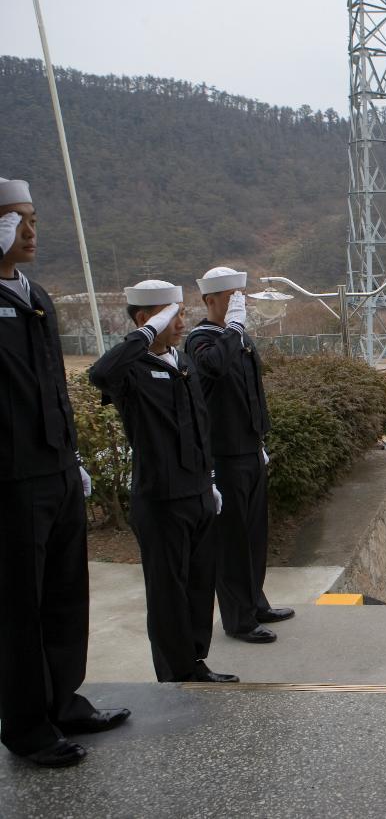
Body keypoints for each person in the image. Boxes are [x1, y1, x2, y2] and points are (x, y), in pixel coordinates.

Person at [0, 178, 130, 768]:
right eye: (14, 219)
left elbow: (54, 384)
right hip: (11, 478)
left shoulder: (38, 297)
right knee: (18, 607)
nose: (29, 231)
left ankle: (63, 700)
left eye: (32, 218)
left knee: (63, 594)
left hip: (55, 468)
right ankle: (26, 725)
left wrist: (73, 456)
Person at [89, 280, 237, 685]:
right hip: (161, 497)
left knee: (199, 583)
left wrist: (209, 480)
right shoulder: (131, 369)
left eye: (181, 313)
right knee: (168, 592)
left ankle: (195, 661)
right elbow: (100, 372)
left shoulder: (183, 360)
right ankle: (174, 675)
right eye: (172, 314)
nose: (181, 322)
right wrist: (147, 334)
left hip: (198, 491)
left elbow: (199, 426)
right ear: (145, 319)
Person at [186, 266, 292, 645]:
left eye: (240, 296)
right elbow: (212, 367)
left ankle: (256, 602)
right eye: (230, 296)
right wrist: (232, 328)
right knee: (231, 541)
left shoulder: (239, 336)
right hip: (222, 454)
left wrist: (260, 437)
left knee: (254, 533)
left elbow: (252, 392)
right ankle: (238, 619)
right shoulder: (201, 339)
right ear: (210, 300)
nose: (237, 303)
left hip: (248, 447)